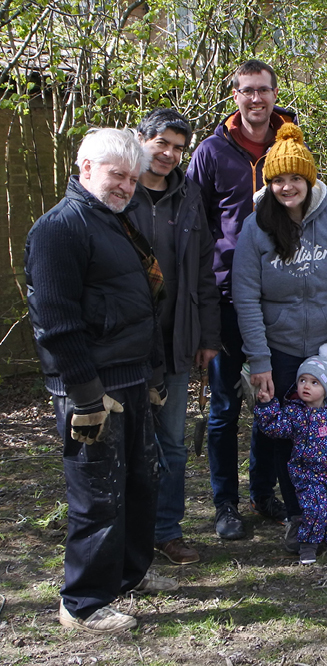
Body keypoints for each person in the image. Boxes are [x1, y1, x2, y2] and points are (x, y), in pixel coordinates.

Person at [25, 128, 177, 635]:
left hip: (131, 381)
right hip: (93, 390)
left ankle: (128, 578)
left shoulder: (118, 224)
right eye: (116, 175)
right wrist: (85, 396)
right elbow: (56, 321)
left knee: (139, 483)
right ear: (85, 167)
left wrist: (154, 372)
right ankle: (84, 602)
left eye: (132, 178)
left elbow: (145, 307)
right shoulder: (59, 229)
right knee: (97, 494)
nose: (126, 186)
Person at [232, 124, 327, 553]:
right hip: (281, 349)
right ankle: (299, 514)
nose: (286, 187)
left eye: (295, 179)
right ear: (268, 183)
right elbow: (246, 298)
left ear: (309, 180)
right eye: (278, 180)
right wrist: (259, 360)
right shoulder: (256, 229)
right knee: (286, 434)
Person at [187, 59, 297, 540]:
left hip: (278, 300)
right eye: (247, 91)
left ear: (275, 94)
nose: (257, 99)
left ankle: (263, 492)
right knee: (226, 407)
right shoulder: (211, 153)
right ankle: (224, 504)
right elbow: (194, 226)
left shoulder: (290, 146)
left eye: (264, 91)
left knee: (272, 400)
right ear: (235, 95)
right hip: (226, 298)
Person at [132, 108, 221, 566]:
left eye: (177, 147)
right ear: (141, 139)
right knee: (128, 445)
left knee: (172, 445)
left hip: (177, 340)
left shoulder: (189, 197)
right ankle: (127, 534)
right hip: (125, 346)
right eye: (161, 143)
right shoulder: (117, 192)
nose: (168, 154)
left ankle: (167, 531)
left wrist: (207, 336)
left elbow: (204, 274)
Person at [255, 344, 327, 563]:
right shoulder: (295, 413)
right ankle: (308, 544)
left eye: (314, 382)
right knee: (316, 509)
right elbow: (274, 427)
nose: (306, 386)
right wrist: (267, 405)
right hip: (309, 475)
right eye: (302, 380)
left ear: (326, 387)